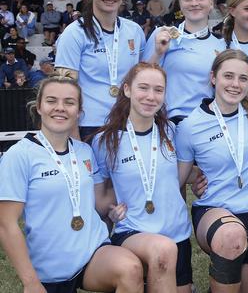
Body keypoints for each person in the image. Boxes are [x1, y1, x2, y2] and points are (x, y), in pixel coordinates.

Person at [0, 74, 144, 293]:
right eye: (51, 101)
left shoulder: (84, 151)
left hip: (92, 252)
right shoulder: (19, 155)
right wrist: (30, 282)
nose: (60, 108)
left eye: (69, 102)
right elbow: (6, 224)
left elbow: (100, 202)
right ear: (39, 107)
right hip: (49, 268)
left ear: (79, 112)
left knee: (130, 269)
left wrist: (112, 212)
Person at [176, 50, 248, 293]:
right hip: (217, 212)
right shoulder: (190, 126)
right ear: (213, 77)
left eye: (243, 78)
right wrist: (193, 178)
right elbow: (178, 179)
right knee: (231, 236)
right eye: (228, 76)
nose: (235, 84)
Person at [92, 62, 193, 292]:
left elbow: (176, 172)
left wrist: (200, 178)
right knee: (162, 251)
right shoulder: (106, 141)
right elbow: (102, 195)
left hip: (177, 233)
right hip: (133, 230)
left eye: (158, 90)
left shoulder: (171, 131)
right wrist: (110, 210)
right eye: (143, 88)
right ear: (127, 90)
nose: (150, 96)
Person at [55, 0, 145, 142]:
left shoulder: (134, 31)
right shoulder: (74, 34)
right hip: (89, 126)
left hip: (129, 123)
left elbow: (142, 75)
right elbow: (65, 92)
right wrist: (75, 141)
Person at [144, 0, 222, 125]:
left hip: (208, 125)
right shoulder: (162, 35)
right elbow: (141, 78)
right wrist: (158, 53)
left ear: (211, 2)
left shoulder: (221, 45)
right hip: (170, 125)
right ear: (180, 3)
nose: (194, 3)